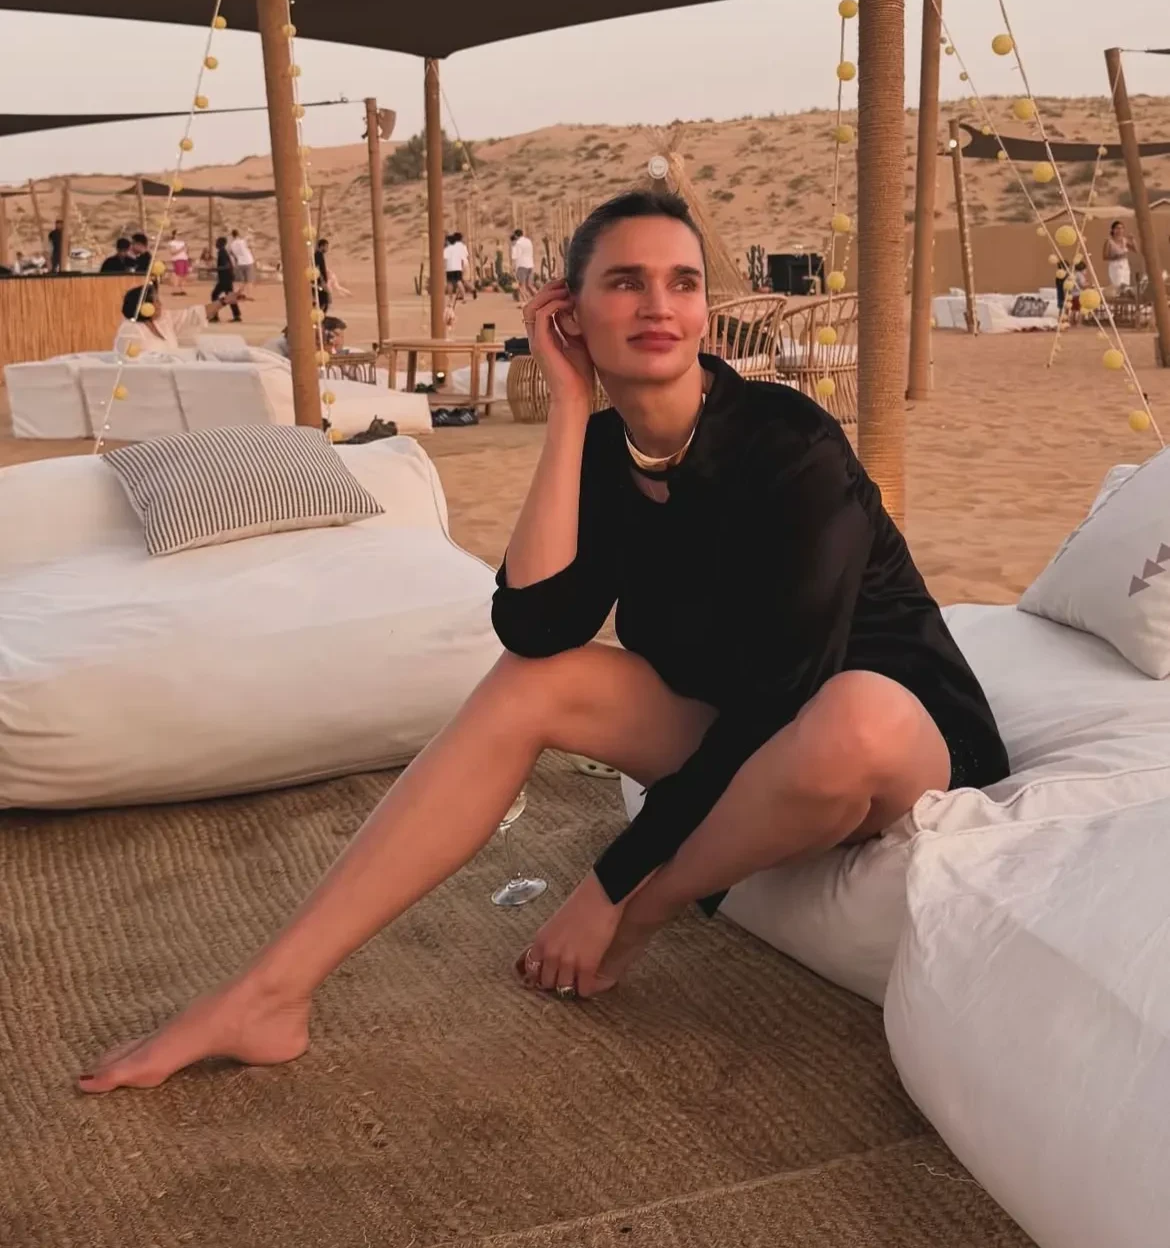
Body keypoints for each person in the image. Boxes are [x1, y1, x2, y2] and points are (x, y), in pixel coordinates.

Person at [76, 189, 1009, 1095]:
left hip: (892, 734)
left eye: (683, 283)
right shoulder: (604, 452)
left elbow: (786, 693)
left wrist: (615, 889)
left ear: (705, 311)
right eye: (626, 282)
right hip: (737, 728)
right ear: (570, 312)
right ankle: (269, 992)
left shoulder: (790, 442)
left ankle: (649, 916)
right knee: (532, 683)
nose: (658, 306)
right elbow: (535, 629)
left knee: (847, 717)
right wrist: (567, 410)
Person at [114, 282, 240, 356]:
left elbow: (194, 315)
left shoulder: (163, 319)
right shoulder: (130, 329)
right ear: (145, 306)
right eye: (156, 301)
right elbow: (131, 362)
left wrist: (224, 301)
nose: (160, 304)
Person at [211, 236, 242, 323]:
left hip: (224, 279)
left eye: (217, 242)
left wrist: (215, 269)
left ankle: (215, 316)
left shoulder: (222, 253)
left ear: (221, 244)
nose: (216, 244)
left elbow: (227, 266)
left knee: (214, 295)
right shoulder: (223, 252)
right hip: (227, 278)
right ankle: (236, 315)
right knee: (230, 297)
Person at [1103, 220, 1136, 292]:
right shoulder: (1109, 241)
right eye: (1117, 228)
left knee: (1126, 286)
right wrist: (1116, 257)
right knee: (1118, 286)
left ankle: (1125, 297)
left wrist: (1132, 240)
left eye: (1122, 228)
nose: (1120, 230)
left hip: (1125, 265)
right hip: (1115, 266)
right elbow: (1105, 256)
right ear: (1113, 230)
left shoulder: (1124, 240)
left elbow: (1135, 250)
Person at [228, 228, 256, 297]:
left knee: (242, 281)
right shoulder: (242, 241)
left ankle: (238, 293)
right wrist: (250, 232)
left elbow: (231, 253)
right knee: (249, 281)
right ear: (238, 234)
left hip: (240, 263)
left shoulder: (232, 244)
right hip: (248, 262)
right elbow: (249, 238)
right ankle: (249, 295)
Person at [511, 228, 536, 301]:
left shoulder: (518, 243)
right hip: (530, 265)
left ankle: (525, 301)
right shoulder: (528, 241)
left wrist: (513, 267)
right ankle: (539, 298)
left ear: (516, 235)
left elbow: (515, 256)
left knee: (522, 286)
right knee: (530, 285)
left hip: (522, 266)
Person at [168, 230, 191, 295]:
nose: (179, 236)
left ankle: (182, 289)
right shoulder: (172, 243)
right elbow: (172, 252)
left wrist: (187, 249)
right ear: (174, 235)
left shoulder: (183, 242)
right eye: (178, 234)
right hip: (177, 259)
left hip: (184, 259)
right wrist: (181, 249)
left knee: (184, 274)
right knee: (178, 274)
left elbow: (186, 252)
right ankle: (174, 289)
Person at [314, 238, 332, 313]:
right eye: (326, 246)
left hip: (320, 282)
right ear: (322, 246)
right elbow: (317, 268)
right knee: (325, 300)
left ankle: (320, 315)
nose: (327, 249)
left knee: (324, 300)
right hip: (319, 283)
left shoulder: (319, 254)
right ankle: (320, 316)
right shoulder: (318, 255)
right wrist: (322, 282)